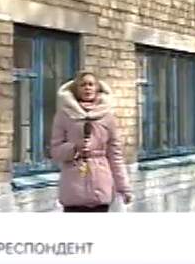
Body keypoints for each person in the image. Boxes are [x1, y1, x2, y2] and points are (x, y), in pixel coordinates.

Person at [50, 70, 133, 213]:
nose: (87, 88)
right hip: (73, 185)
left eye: (91, 84)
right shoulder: (64, 115)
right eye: (83, 85)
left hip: (101, 182)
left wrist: (124, 188)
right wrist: (74, 149)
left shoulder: (107, 117)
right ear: (76, 89)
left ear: (97, 88)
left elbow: (115, 155)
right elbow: (55, 150)